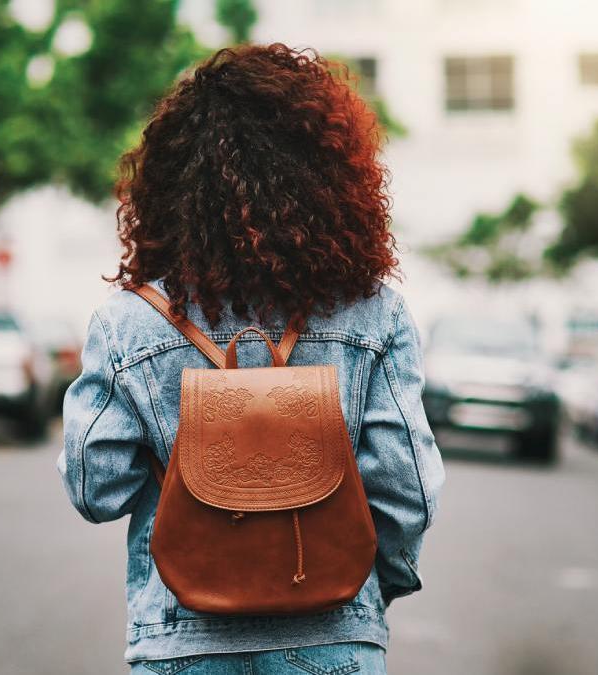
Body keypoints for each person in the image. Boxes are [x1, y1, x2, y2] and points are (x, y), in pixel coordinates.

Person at [58, 43, 445, 674]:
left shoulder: (129, 323)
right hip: (333, 628)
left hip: (182, 638)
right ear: (333, 177)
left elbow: (94, 487)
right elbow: (407, 491)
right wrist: (376, 588)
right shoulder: (374, 314)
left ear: (170, 181)